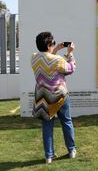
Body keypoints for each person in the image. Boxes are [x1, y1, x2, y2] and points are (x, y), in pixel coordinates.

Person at [31, 31, 77, 164]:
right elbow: (71, 68)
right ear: (49, 44)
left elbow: (46, 61)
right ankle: (71, 150)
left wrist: (55, 49)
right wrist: (70, 53)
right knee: (66, 122)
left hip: (43, 97)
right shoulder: (57, 60)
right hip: (60, 96)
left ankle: (49, 156)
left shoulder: (33, 57)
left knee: (47, 126)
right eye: (53, 43)